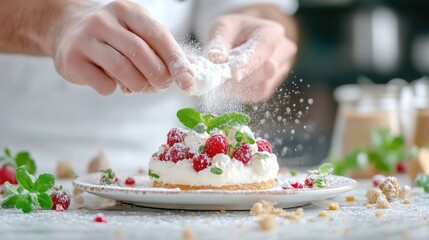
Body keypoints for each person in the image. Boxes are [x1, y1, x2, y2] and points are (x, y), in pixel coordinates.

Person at [0, 0, 298, 174]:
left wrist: (255, 22)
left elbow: (261, 8)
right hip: (13, 169)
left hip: (164, 172)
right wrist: (53, 23)